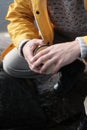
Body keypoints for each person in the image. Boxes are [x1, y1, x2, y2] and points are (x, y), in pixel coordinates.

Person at [1, 0, 87, 129]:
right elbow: (19, 15)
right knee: (12, 64)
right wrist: (25, 42)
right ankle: (71, 67)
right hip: (58, 37)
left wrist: (79, 46)